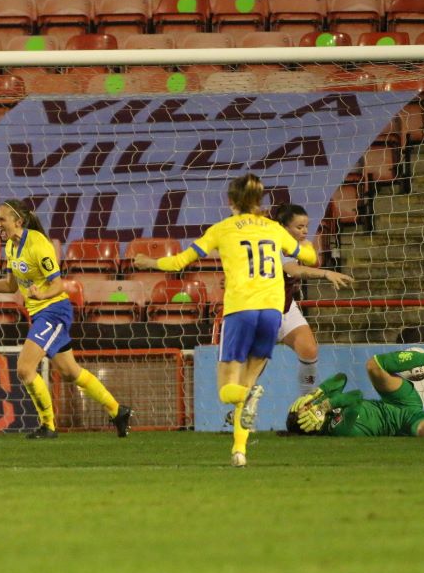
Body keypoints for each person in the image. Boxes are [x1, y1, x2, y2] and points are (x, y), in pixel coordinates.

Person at [135, 174, 317, 467]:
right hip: (272, 311)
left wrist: (149, 263)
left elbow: (180, 262)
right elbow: (307, 256)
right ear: (259, 201)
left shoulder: (221, 230)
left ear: (230, 201)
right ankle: (239, 451)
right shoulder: (273, 228)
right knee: (247, 383)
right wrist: (304, 247)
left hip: (240, 310)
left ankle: (246, 396)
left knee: (226, 389)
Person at [0, 199, 133, 439]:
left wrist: (41, 294)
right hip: (41, 314)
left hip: (54, 310)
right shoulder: (11, 247)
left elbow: (58, 284)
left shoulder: (38, 245)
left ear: (18, 221)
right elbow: (12, 285)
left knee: (24, 369)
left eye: (2, 219)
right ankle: (118, 410)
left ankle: (48, 426)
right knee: (70, 372)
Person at [286, 341, 424, 439]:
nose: (309, 409)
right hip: (404, 423)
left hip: (397, 401)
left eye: (305, 408)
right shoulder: (337, 430)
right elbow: (356, 397)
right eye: (305, 413)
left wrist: (316, 395)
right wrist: (326, 406)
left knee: (373, 365)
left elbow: (341, 378)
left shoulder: (324, 407)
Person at [272, 203, 353, 394]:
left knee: (309, 350)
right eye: (299, 227)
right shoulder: (273, 246)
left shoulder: (298, 247)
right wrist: (324, 274)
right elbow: (294, 270)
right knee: (256, 364)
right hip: (263, 310)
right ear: (283, 227)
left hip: (285, 306)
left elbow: (312, 260)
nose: (305, 231)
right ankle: (239, 407)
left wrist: (306, 251)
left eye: (306, 226)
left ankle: (306, 398)